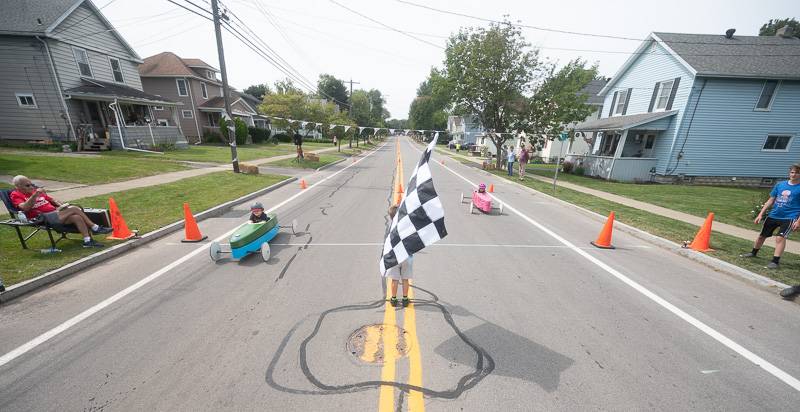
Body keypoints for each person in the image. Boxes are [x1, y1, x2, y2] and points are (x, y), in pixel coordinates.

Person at [10, 175, 111, 247]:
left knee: (76, 217)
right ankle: (95, 227)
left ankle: (87, 241)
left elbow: (52, 200)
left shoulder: (35, 191)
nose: (31, 187)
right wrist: (34, 195)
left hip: (54, 214)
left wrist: (61, 205)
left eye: (31, 184)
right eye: (27, 185)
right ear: (18, 187)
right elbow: (25, 208)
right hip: (41, 218)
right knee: (75, 209)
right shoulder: (16, 194)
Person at [740, 164, 800, 269]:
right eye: (792, 172)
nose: (794, 174)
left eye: (797, 172)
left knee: (780, 238)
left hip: (789, 217)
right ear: (789, 173)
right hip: (774, 215)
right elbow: (771, 200)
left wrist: (798, 221)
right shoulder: (780, 185)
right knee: (762, 236)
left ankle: (775, 262)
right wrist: (760, 214)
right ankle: (753, 253)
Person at [386, 205, 413, 308]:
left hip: (394, 256)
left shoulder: (390, 228)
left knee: (394, 279)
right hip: (406, 255)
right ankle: (405, 298)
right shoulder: (407, 226)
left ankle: (393, 299)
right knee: (405, 278)